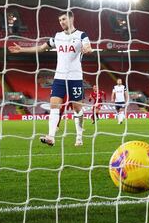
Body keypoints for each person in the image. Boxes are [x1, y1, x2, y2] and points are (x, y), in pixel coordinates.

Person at [9, 11, 92, 147]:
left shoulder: (81, 35)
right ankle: (51, 137)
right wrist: (22, 49)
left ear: (71, 19)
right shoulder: (57, 37)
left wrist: (87, 49)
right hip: (59, 77)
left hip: (75, 78)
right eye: (60, 20)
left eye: (64, 19)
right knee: (54, 106)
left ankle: (79, 136)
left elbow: (88, 47)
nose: (62, 22)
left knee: (77, 109)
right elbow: (42, 48)